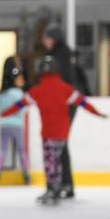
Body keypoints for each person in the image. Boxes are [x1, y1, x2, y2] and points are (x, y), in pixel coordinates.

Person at [0, 56, 107, 205]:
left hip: (48, 133)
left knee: (50, 160)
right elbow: (82, 102)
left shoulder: (37, 90)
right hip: (62, 132)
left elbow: (19, 105)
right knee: (56, 159)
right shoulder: (65, 88)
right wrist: (97, 113)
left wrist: (3, 114)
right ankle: (56, 187)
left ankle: (52, 188)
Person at [41, 24, 89, 198]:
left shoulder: (59, 56)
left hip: (66, 103)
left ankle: (63, 183)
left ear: (53, 39)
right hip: (67, 102)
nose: (43, 41)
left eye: (46, 38)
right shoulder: (61, 54)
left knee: (58, 142)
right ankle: (65, 183)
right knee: (60, 143)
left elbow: (62, 81)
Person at [0, 63, 30, 186]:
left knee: (2, 149)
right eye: (19, 78)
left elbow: (1, 108)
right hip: (17, 124)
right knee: (22, 149)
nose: (22, 80)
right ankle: (26, 174)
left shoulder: (2, 94)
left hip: (4, 125)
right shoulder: (18, 93)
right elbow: (23, 107)